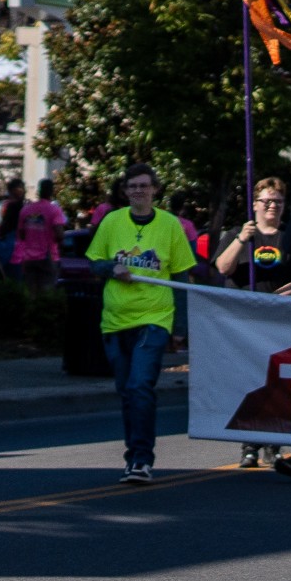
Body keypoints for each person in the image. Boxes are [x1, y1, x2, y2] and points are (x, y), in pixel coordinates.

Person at [88, 165, 199, 484]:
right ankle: (133, 455)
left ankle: (140, 459)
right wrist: (112, 268)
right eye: (132, 186)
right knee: (127, 390)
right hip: (115, 320)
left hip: (154, 318)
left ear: (155, 190)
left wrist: (180, 327)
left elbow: (180, 277)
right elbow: (94, 262)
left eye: (144, 186)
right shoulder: (111, 221)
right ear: (125, 191)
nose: (138, 191)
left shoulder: (169, 225)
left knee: (140, 385)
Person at [212, 175, 291, 469]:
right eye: (266, 201)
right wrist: (243, 239)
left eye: (277, 202)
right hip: (242, 320)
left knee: (276, 382)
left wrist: (275, 299)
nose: (272, 207)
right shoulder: (236, 235)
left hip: (278, 320)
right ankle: (249, 445)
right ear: (255, 204)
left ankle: (274, 443)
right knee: (249, 381)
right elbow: (222, 267)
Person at [12, 175, 70, 288]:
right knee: (46, 293)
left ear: (39, 191)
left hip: (28, 258)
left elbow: (21, 234)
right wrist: (61, 242)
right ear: (51, 191)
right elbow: (59, 233)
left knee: (31, 292)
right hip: (47, 257)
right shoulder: (54, 209)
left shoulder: (26, 209)